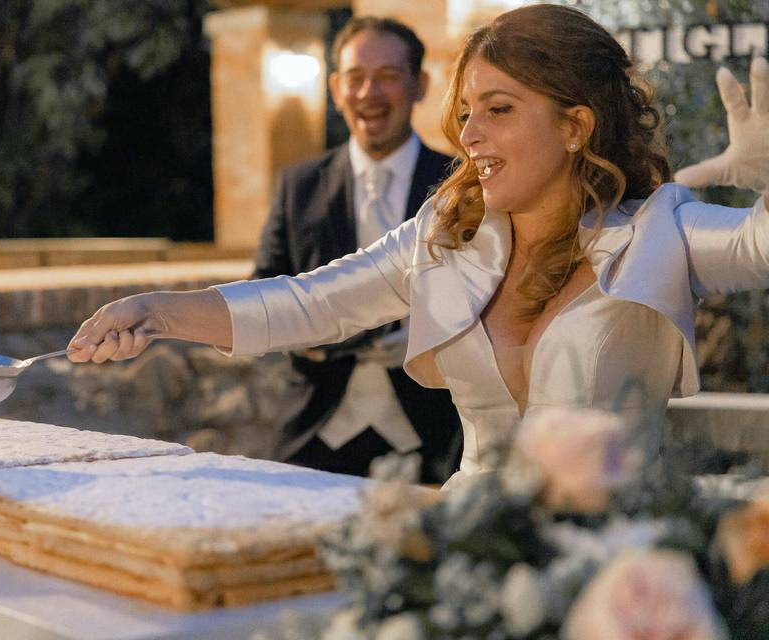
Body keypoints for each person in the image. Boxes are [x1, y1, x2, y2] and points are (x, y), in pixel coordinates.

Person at [68, 4, 769, 488]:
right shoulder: (444, 237)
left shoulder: (661, 233)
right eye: (466, 113)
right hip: (466, 550)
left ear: (575, 124)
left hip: (612, 578)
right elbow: (302, 304)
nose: (469, 136)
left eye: (498, 110)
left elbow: (759, 246)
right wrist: (156, 310)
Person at [251, 16, 462, 483]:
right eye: (356, 77)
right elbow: (263, 291)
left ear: (420, 85)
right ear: (336, 88)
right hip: (314, 431)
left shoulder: (462, 184)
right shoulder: (298, 186)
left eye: (387, 76)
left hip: (437, 437)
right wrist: (310, 335)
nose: (370, 92)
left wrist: (433, 341)